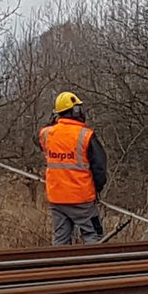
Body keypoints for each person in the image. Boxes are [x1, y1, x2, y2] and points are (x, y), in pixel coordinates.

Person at [38, 91, 108, 246]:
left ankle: (60, 269)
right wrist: (97, 189)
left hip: (57, 199)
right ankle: (95, 268)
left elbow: (41, 137)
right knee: (93, 237)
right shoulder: (86, 135)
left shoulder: (46, 134)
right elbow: (100, 169)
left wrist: (55, 120)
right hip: (82, 199)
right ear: (76, 111)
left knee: (60, 243)